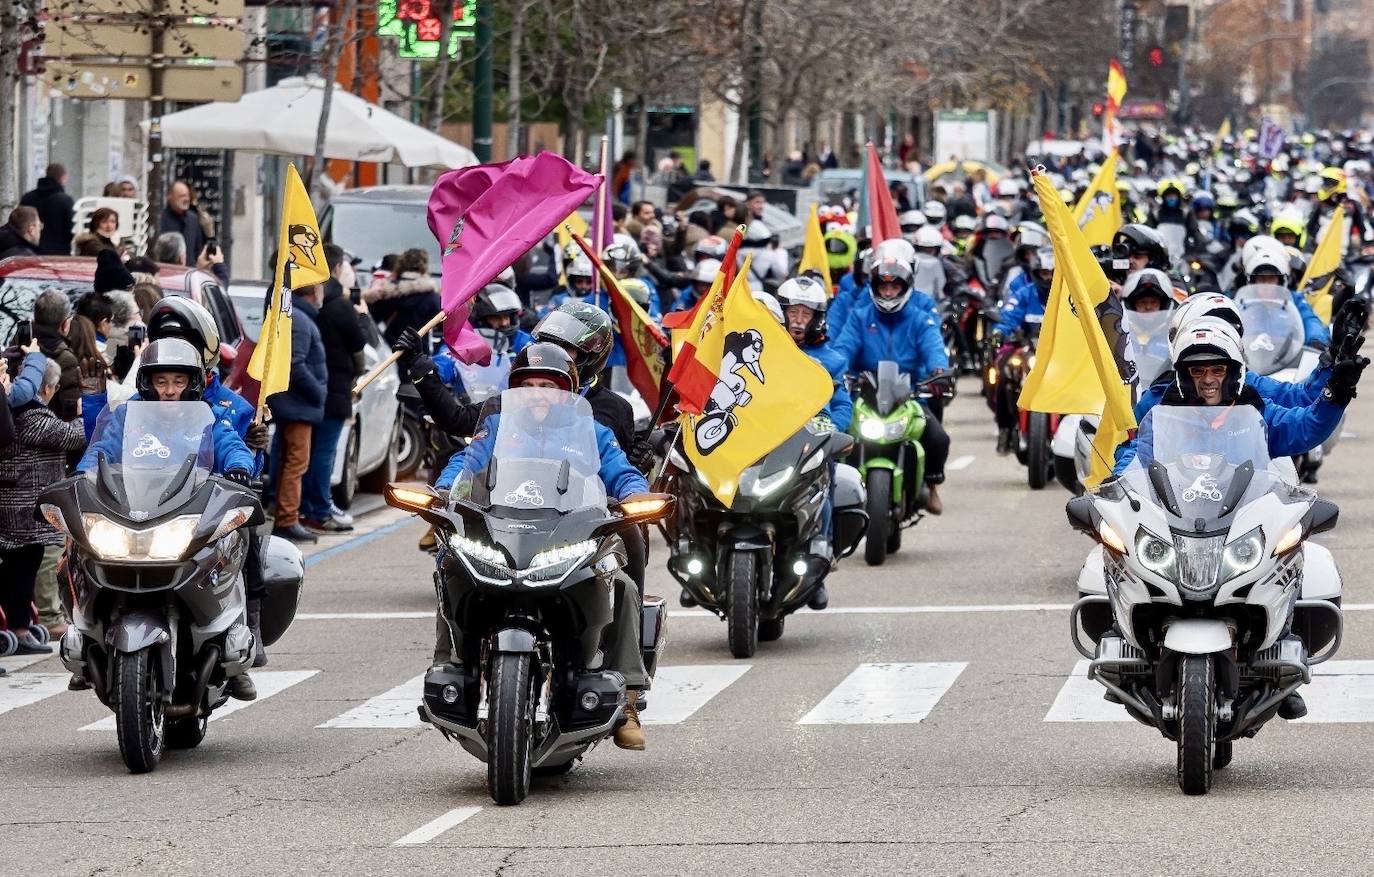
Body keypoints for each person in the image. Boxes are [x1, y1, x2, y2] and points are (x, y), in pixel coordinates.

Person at [434, 342, 653, 750]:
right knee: (452, 563)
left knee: (621, 584)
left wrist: (635, 495)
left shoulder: (590, 430)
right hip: (503, 532)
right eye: (528, 384)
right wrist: (444, 491)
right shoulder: (498, 426)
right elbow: (467, 463)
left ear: (566, 391)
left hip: (569, 536)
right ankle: (450, 662)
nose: (537, 392)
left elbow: (621, 472)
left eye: (548, 384)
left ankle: (627, 701)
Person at [76, 338, 258, 700]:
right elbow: (102, 448)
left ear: (192, 383)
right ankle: (85, 638)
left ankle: (233, 649)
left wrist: (239, 466)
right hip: (133, 511)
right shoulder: (130, 416)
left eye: (178, 381)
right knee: (79, 548)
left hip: (188, 513)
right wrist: (84, 475)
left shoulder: (206, 416)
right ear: (148, 383)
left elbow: (230, 445)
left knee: (234, 546)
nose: (170, 390)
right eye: (161, 382)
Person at [829, 255, 952, 514]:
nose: (888, 292)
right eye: (883, 287)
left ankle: (931, 487)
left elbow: (934, 347)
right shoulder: (859, 317)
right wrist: (833, 371)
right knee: (837, 438)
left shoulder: (920, 319)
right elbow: (842, 349)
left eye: (894, 287)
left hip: (909, 394)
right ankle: (835, 489)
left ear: (905, 288)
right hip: (865, 392)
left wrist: (939, 371)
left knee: (938, 438)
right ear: (873, 288)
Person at [775, 275, 851, 610]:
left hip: (809, 443)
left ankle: (820, 557)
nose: (798, 320)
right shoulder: (763, 349)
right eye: (793, 312)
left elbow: (843, 404)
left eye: (806, 314)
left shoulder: (832, 358)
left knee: (828, 476)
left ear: (818, 317)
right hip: (765, 438)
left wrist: (832, 429)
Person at [0, 359, 85, 656]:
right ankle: (19, 629)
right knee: (21, 568)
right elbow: (72, 435)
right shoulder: (31, 414)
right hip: (21, 507)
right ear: (47, 387)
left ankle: (19, 626)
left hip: (17, 502)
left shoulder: (19, 410)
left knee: (22, 566)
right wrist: (89, 416)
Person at [301, 245, 367, 534]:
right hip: (335, 388)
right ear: (338, 268)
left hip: (314, 387)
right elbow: (358, 344)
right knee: (324, 452)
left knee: (312, 451)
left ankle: (313, 505)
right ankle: (319, 508)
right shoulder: (338, 304)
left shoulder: (310, 301)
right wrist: (361, 316)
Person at [266, 283, 328, 544]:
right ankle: (287, 519)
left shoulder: (296, 316)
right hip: (298, 404)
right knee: (296, 462)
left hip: (294, 403)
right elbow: (296, 363)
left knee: (288, 460)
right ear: (312, 292)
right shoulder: (300, 320)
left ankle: (284, 515)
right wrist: (318, 392)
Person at [1237, 235, 1330, 347]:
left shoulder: (1295, 300)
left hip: (1289, 361)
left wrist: (1316, 340)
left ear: (1281, 281)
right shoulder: (1241, 303)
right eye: (1261, 279)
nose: (1266, 284)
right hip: (1249, 360)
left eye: (1271, 279)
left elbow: (1310, 320)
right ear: (1252, 281)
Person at [363, 247, 440, 349]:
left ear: (400, 265)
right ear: (424, 267)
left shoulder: (387, 292)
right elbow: (444, 326)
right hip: (418, 355)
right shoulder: (431, 296)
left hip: (391, 355)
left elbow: (372, 320)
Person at [32, 289, 82, 422]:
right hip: (51, 433)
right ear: (65, 325)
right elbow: (69, 409)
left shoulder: (17, 346)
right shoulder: (66, 359)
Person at [20, 163, 75, 256]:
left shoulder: (27, 198)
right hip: (59, 254)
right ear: (62, 178)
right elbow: (71, 229)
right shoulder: (65, 200)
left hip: (31, 252)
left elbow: (19, 223)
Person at [158, 181, 208, 260]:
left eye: (188, 196)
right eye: (182, 196)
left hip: (189, 269)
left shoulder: (193, 219)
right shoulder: (160, 218)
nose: (187, 199)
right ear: (170, 196)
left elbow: (198, 248)